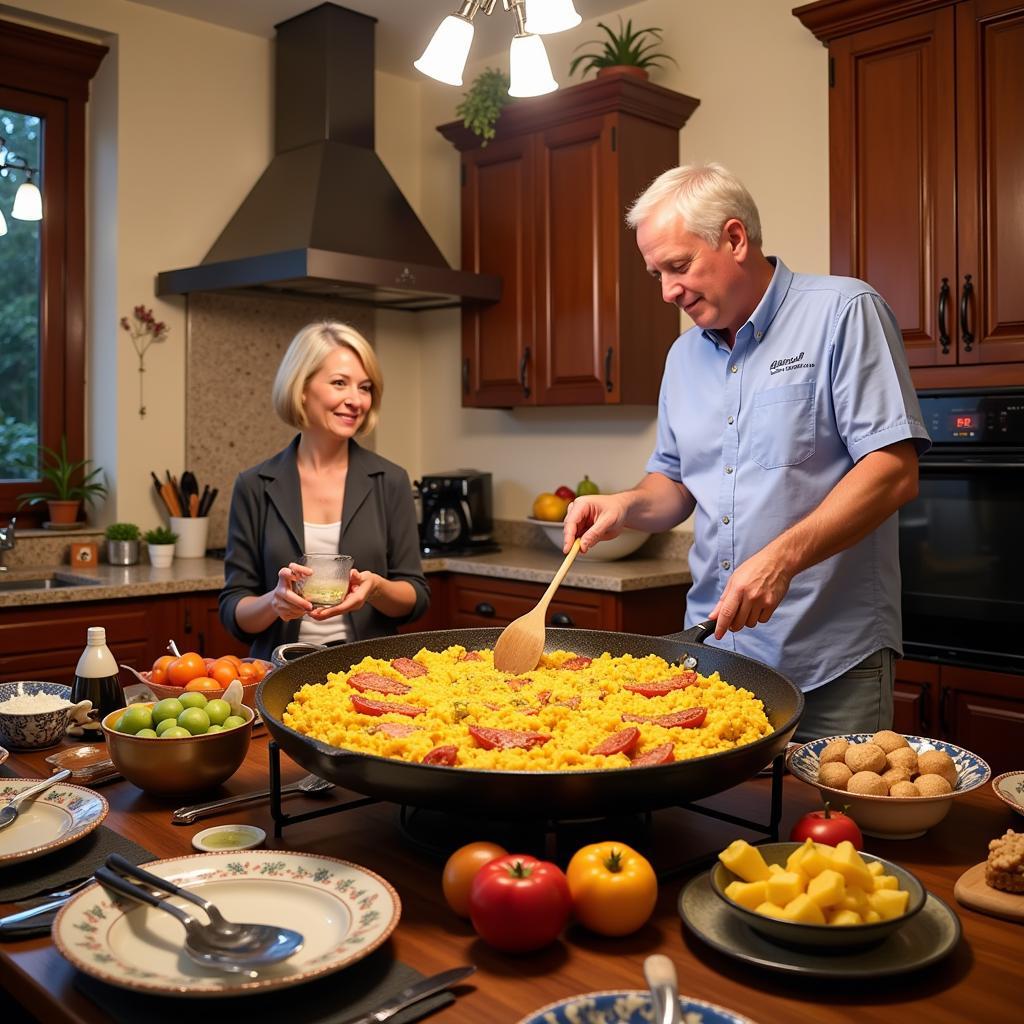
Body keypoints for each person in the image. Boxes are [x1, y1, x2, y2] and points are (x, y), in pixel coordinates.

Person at [563, 164, 930, 741]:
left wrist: (779, 560)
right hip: (713, 656)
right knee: (713, 827)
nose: (667, 291)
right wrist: (627, 506)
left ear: (735, 239)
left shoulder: (843, 313)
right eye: (656, 273)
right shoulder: (682, 357)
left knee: (828, 828)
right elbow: (677, 483)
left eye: (678, 267)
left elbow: (892, 471)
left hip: (829, 662)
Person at [220, 321, 429, 661]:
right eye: (339, 383)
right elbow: (234, 608)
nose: (356, 400)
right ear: (301, 388)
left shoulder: (389, 480)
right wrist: (274, 602)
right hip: (280, 669)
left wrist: (376, 589)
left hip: (370, 669)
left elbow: (416, 596)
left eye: (364, 387)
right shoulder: (255, 484)